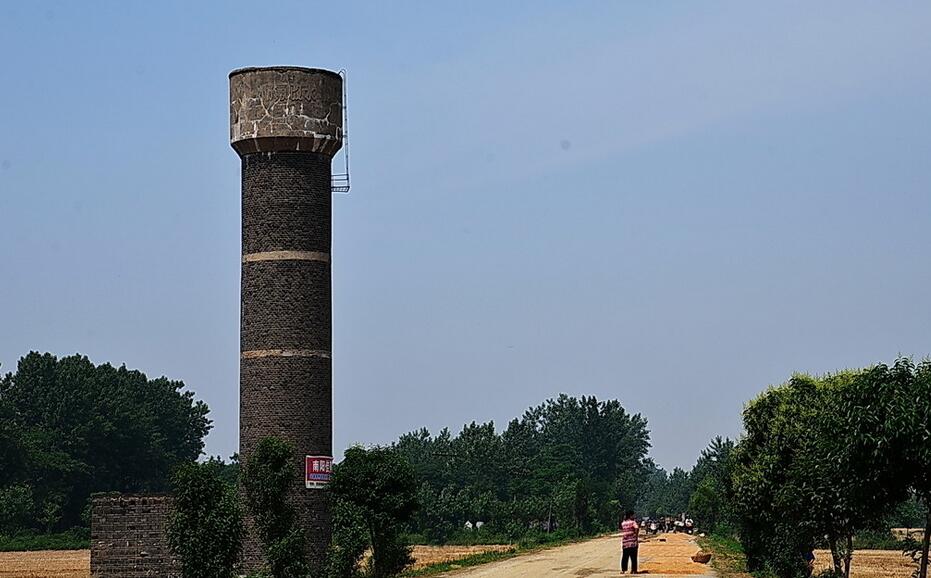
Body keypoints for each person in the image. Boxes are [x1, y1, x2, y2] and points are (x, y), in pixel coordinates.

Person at [620, 510, 640, 574]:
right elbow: (637, 528)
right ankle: (634, 570)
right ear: (630, 515)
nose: (634, 516)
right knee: (633, 557)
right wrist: (636, 536)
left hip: (625, 542)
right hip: (632, 542)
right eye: (633, 515)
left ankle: (623, 569)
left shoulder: (623, 523)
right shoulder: (633, 522)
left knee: (625, 556)